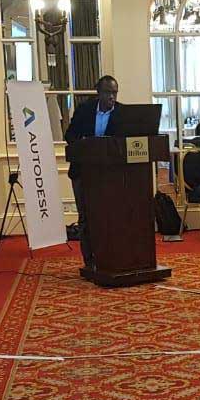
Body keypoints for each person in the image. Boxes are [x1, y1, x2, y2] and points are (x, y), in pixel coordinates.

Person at [64, 74, 119, 262]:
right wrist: (85, 146)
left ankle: (109, 256)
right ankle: (89, 260)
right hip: (83, 171)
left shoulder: (122, 112)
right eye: (108, 92)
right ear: (98, 93)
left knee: (108, 215)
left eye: (115, 93)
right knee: (86, 217)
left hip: (110, 173)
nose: (112, 97)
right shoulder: (84, 110)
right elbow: (69, 135)